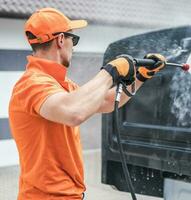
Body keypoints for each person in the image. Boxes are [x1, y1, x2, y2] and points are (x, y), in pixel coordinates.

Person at [8, 7, 166, 200]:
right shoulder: (32, 84)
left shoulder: (62, 86)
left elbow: (107, 102)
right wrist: (110, 72)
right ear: (60, 40)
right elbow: (74, 113)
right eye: (72, 39)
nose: (73, 47)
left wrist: (141, 77)